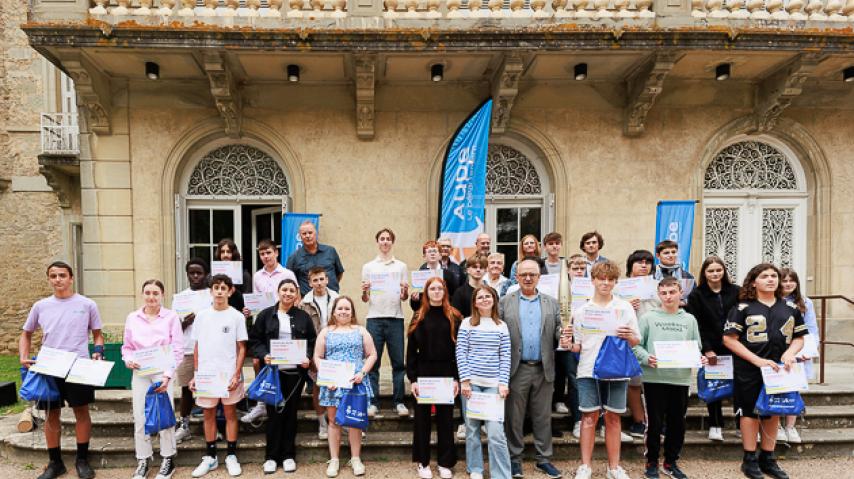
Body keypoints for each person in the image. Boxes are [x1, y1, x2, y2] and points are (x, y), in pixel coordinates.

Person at [19, 261, 104, 479]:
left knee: (81, 413)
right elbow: (26, 333)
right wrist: (23, 356)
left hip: (78, 366)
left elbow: (97, 334)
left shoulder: (87, 304)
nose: (58, 279)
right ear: (49, 279)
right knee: (51, 414)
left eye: (62, 275)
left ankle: (82, 460)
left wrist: (98, 351)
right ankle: (55, 463)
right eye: (53, 276)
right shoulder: (41, 306)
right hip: (49, 366)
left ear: (71, 278)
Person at [723, 263, 807, 479]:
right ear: (753, 281)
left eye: (774, 276)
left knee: (774, 410)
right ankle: (749, 459)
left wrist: (790, 353)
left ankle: (767, 457)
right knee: (749, 411)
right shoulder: (742, 308)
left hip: (779, 368)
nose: (770, 279)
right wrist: (757, 360)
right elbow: (729, 339)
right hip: (749, 368)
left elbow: (799, 337)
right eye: (764, 276)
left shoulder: (790, 308)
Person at [500, 258, 571, 479]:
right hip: (516, 369)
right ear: (517, 277)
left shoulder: (551, 303)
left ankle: (544, 459)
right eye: (524, 275)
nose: (528, 278)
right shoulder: (504, 302)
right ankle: (515, 460)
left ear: (539, 277)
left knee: (542, 416)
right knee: (514, 417)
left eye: (532, 274)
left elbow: (559, 330)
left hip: (544, 368)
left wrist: (566, 336)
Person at [571, 261, 639, 479]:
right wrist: (567, 343)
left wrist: (628, 335)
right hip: (588, 368)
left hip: (616, 369)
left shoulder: (624, 307)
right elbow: (577, 346)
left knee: (613, 418)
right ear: (593, 280)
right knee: (588, 417)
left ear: (615, 282)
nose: (606, 283)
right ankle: (585, 466)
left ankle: (613, 467)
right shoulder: (582, 310)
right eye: (602, 279)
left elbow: (636, 340)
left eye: (610, 279)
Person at [633, 277, 706, 479]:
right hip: (654, 378)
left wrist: (698, 358)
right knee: (654, 424)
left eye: (672, 292)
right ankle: (652, 462)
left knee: (677, 423)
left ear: (680, 293)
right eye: (663, 293)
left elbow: (696, 345)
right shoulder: (648, 317)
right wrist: (647, 358)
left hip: (680, 379)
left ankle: (670, 462)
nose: (668, 296)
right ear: (659, 294)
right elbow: (635, 345)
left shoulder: (689, 319)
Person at [250, 279, 317, 474]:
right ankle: (271, 457)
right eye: (284, 290)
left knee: (290, 414)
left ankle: (288, 455)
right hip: (273, 374)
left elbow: (311, 341)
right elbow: (255, 341)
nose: (288, 293)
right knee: (273, 415)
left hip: (295, 374)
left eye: (291, 291)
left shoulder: (303, 317)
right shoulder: (265, 316)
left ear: (296, 294)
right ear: (278, 292)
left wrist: (307, 357)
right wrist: (265, 355)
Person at [122, 279, 184, 479]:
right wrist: (128, 360)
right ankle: (143, 459)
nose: (151, 297)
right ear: (142, 294)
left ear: (162, 295)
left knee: (163, 416)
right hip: (140, 372)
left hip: (162, 371)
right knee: (140, 416)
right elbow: (127, 347)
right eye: (147, 292)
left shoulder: (171, 317)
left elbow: (177, 350)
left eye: (155, 293)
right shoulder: (133, 318)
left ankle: (168, 458)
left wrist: (167, 376)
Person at [189, 274, 248, 478]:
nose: (220, 291)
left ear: (230, 291)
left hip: (228, 375)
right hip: (206, 375)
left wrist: (236, 374)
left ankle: (231, 455)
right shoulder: (202, 316)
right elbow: (196, 347)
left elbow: (242, 348)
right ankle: (211, 456)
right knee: (208, 414)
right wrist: (196, 375)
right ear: (211, 291)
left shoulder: (237, 316)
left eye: (224, 287)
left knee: (231, 414)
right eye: (216, 287)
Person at [315, 296, 378, 478]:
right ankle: (334, 459)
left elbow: (372, 354)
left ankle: (355, 458)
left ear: (352, 312)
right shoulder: (326, 332)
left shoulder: (361, 331)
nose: (343, 312)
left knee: (353, 421)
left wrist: (362, 373)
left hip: (354, 383)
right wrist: (327, 377)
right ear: (333, 312)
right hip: (333, 383)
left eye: (347, 309)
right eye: (340, 308)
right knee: (333, 421)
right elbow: (317, 357)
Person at [407, 277, 461, 479]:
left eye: (440, 288)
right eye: (432, 289)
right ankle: (423, 462)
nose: (436, 292)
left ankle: (445, 462)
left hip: (446, 374)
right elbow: (411, 351)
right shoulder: (419, 316)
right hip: (424, 374)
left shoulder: (454, 316)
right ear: (426, 292)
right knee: (422, 421)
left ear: (445, 291)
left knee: (446, 420)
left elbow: (459, 351)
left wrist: (457, 378)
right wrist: (412, 379)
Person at [456, 285, 512, 479]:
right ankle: (476, 469)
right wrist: (464, 381)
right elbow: (461, 353)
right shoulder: (466, 324)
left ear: (494, 300)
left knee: (496, 432)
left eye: (488, 296)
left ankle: (502, 474)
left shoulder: (501, 326)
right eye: (480, 297)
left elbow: (505, 356)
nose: (484, 300)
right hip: (471, 385)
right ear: (474, 302)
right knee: (472, 430)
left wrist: (503, 383)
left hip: (493, 386)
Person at [686, 256, 740, 442]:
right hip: (712, 348)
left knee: (740, 387)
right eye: (711, 271)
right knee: (714, 386)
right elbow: (697, 324)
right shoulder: (697, 294)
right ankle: (715, 425)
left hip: (736, 347)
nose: (715, 274)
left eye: (718, 270)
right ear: (704, 273)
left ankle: (741, 424)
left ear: (724, 271)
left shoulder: (736, 291)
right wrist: (706, 349)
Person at [243, 239, 298, 424]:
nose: (266, 256)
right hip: (266, 323)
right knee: (259, 360)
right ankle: (261, 402)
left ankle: (280, 396)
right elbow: (257, 301)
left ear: (276, 253)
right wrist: (250, 309)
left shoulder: (287, 273)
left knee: (283, 363)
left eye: (269, 253)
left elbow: (295, 298)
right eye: (262, 254)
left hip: (284, 325)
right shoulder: (257, 276)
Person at [361, 227, 410, 418]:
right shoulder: (369, 267)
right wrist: (365, 290)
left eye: (388, 239)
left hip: (396, 318)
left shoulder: (401, 266)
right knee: (373, 363)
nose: (385, 242)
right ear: (377, 242)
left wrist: (404, 290)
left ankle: (399, 402)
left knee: (398, 363)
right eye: (382, 238)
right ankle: (373, 403)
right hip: (374, 318)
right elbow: (365, 298)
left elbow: (404, 297)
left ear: (392, 242)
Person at [173, 258, 213, 444]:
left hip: (209, 349)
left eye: (199, 273)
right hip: (187, 349)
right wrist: (184, 322)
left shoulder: (212, 294)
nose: (195, 276)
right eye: (192, 273)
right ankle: (184, 425)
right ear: (187, 274)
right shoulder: (180, 297)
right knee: (186, 389)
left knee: (209, 389)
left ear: (206, 274)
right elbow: (173, 328)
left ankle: (210, 426)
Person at [778, 268, 819, 445]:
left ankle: (790, 426)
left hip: (798, 351)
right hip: (777, 350)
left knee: (793, 388)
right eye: (784, 280)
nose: (788, 284)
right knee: (776, 388)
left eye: (791, 280)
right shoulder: (774, 300)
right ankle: (777, 426)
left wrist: (809, 350)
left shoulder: (805, 303)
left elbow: (812, 329)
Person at [624, 249, 660, 439]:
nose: (644, 265)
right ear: (631, 265)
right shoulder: (620, 287)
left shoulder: (657, 286)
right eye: (639, 262)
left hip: (654, 338)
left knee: (654, 382)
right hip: (630, 338)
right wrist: (626, 305)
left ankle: (655, 421)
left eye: (647, 262)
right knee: (634, 382)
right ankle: (639, 421)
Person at [300, 267, 340, 440]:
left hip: (335, 347)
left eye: (321, 279)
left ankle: (339, 421)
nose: (318, 283)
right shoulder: (304, 303)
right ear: (309, 283)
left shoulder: (337, 298)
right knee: (317, 386)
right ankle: (322, 424)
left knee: (339, 384)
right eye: (315, 280)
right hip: (316, 348)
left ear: (327, 279)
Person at [556, 255, 586, 439]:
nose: (579, 271)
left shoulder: (591, 287)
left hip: (587, 338)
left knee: (581, 380)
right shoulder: (558, 286)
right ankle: (577, 419)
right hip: (566, 336)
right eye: (575, 268)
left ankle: (582, 418)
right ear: (568, 269)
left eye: (582, 268)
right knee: (572, 377)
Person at [286, 220, 345, 295]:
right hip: (307, 302)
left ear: (316, 233)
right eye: (304, 234)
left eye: (310, 233)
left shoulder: (330, 251)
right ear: (300, 236)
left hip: (332, 299)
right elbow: (290, 281)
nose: (307, 236)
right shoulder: (294, 257)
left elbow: (339, 273)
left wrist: (330, 287)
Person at [411, 240, 460, 308]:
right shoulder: (420, 274)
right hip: (425, 312)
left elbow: (455, 296)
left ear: (440, 255)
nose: (432, 254)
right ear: (424, 256)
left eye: (435, 251)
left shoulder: (448, 275)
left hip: (444, 311)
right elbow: (415, 306)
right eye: (429, 251)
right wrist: (414, 300)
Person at [451, 254, 488, 319]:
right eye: (474, 267)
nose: (478, 270)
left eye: (481, 267)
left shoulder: (491, 292)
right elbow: (456, 317)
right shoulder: (459, 293)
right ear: (468, 270)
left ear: (485, 270)